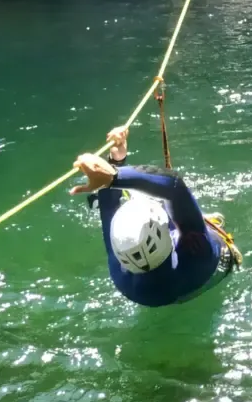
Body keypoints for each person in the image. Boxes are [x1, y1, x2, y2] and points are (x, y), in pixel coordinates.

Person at [71, 125, 239, 307]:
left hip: (162, 294)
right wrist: (114, 175)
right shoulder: (197, 251)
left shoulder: (122, 278)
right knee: (161, 199)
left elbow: (107, 208)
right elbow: (173, 185)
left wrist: (116, 158)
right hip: (210, 270)